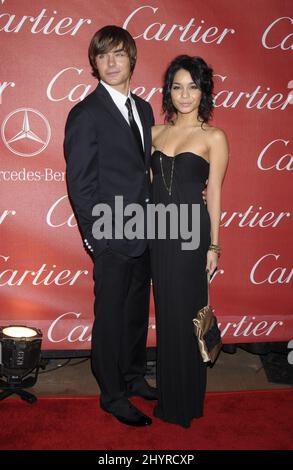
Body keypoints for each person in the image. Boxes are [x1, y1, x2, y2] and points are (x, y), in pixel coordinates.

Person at [64, 25, 157, 427]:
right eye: (103, 56)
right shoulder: (85, 114)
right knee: (110, 317)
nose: (111, 62)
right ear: (94, 64)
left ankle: (134, 376)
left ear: (131, 58)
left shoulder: (146, 109)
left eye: (118, 54)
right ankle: (112, 394)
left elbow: (146, 172)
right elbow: (80, 183)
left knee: (136, 313)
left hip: (147, 229)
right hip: (111, 234)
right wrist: (95, 237)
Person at [151, 55, 229, 427]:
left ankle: (186, 402)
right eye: (177, 86)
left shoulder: (213, 136)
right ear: (169, 91)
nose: (185, 94)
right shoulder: (153, 133)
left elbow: (213, 193)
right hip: (157, 234)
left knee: (188, 316)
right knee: (166, 315)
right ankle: (167, 397)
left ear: (204, 91)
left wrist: (213, 246)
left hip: (190, 235)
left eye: (193, 86)